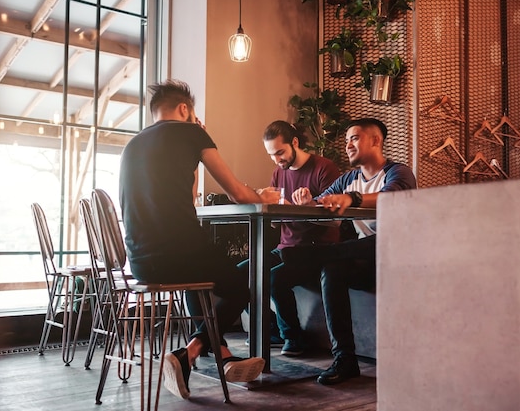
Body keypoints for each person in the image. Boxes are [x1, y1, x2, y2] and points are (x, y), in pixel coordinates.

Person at [119, 80, 280, 399]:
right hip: (178, 253)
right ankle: (189, 352)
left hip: (140, 264)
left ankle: (222, 354)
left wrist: (192, 157)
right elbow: (236, 191)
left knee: (200, 275)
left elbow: (189, 197)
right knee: (244, 286)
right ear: (184, 109)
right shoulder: (192, 132)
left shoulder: (133, 144)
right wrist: (262, 195)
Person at [292, 117, 417, 385]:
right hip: (365, 259)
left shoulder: (398, 172)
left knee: (344, 251)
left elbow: (391, 198)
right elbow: (322, 204)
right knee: (332, 270)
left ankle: (311, 257)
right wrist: (308, 202)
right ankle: (345, 360)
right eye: (346, 139)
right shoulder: (349, 178)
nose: (348, 144)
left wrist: (354, 198)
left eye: (355, 138)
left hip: (398, 254)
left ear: (375, 140)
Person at [238, 120, 341, 356]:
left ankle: (294, 338)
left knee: (274, 278)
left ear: (295, 142)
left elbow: (335, 219)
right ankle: (272, 328)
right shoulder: (278, 172)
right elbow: (276, 222)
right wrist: (264, 203)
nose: (276, 160)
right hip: (286, 247)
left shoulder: (324, 168)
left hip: (316, 249)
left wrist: (307, 205)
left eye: (280, 152)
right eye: (271, 155)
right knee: (240, 273)